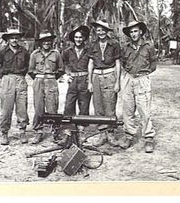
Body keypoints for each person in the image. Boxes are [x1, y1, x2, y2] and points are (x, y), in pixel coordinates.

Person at [119, 20, 157, 153]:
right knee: (127, 109)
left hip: (142, 79)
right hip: (129, 78)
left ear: (140, 32)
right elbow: (123, 62)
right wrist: (130, 75)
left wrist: (144, 74)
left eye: (136, 31)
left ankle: (148, 138)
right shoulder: (125, 47)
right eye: (131, 32)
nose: (134, 34)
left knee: (144, 110)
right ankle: (129, 135)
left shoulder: (148, 46)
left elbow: (153, 64)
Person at [87, 19, 121, 147]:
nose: (100, 32)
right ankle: (102, 133)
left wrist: (117, 82)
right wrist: (89, 82)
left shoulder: (114, 44)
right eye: (98, 30)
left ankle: (111, 133)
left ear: (107, 31)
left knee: (110, 104)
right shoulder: (92, 45)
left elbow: (118, 63)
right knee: (98, 105)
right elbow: (90, 63)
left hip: (109, 75)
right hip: (96, 76)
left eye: (103, 30)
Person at [28, 31, 64, 144]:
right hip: (38, 80)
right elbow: (30, 70)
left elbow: (61, 69)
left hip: (51, 80)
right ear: (40, 42)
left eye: (49, 40)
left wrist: (51, 77)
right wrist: (40, 78)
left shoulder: (56, 53)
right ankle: (38, 131)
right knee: (38, 107)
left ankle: (55, 132)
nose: (47, 42)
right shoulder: (34, 54)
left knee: (52, 107)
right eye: (44, 40)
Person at [0, 29, 30, 145]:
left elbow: (27, 66)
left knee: (22, 108)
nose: (14, 40)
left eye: (16, 38)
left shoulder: (24, 51)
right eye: (12, 38)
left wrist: (19, 77)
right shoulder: (2, 51)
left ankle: (22, 131)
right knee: (6, 109)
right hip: (7, 79)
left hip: (20, 79)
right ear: (8, 39)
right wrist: (5, 79)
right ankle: (4, 133)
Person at [59, 25, 92, 146]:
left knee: (84, 105)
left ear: (84, 38)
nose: (78, 39)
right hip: (73, 80)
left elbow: (92, 64)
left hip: (84, 79)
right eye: (76, 37)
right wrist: (66, 75)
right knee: (69, 105)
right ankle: (68, 132)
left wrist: (90, 78)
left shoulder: (89, 51)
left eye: (80, 37)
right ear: (73, 38)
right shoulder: (67, 51)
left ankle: (82, 132)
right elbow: (62, 64)